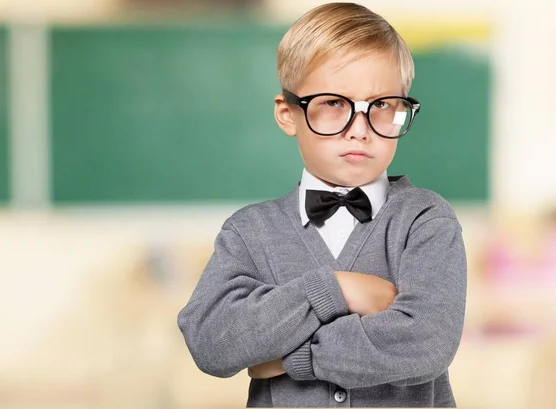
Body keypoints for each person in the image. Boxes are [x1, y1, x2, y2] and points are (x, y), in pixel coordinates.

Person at [177, 2, 467, 407]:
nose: (360, 130)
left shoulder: (425, 220)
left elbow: (425, 342)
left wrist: (297, 356)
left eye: (382, 105)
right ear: (288, 114)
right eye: (334, 103)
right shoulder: (249, 232)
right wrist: (335, 289)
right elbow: (211, 341)